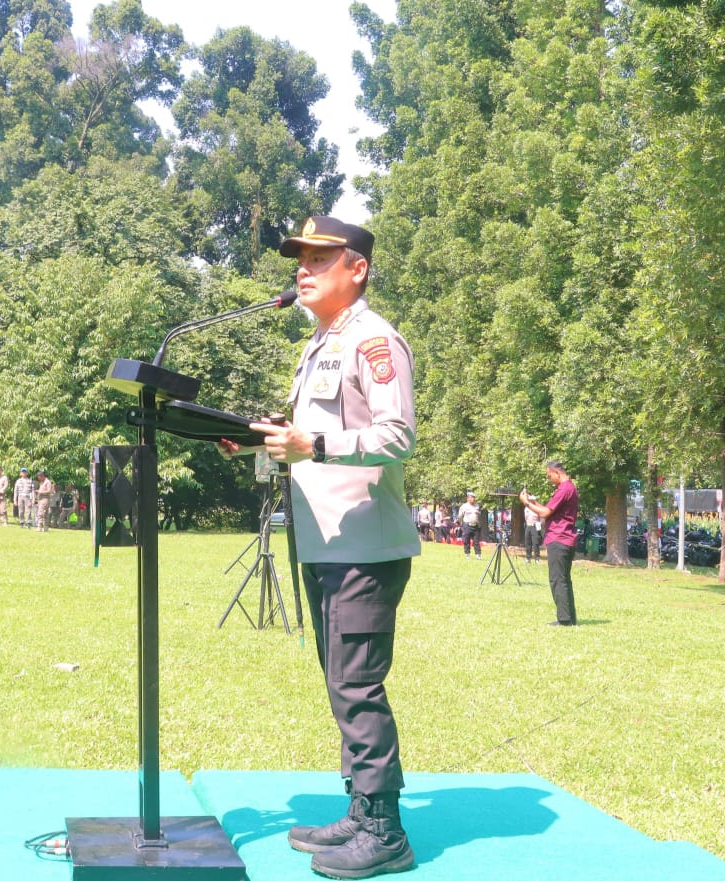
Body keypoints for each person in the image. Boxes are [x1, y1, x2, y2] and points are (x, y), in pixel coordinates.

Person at [224, 215, 419, 879]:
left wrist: (318, 444)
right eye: (298, 258)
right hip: (327, 541)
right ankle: (361, 812)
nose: (302, 268)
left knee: (357, 684)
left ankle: (385, 829)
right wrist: (260, 437)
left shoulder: (373, 341)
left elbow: (398, 435)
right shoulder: (319, 344)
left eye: (319, 257)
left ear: (356, 268)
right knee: (342, 681)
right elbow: (311, 436)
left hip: (365, 541)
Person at [521, 461, 579, 626]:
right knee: (564, 580)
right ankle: (570, 617)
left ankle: (564, 619)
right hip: (566, 539)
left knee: (557, 580)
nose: (549, 479)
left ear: (557, 473)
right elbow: (549, 509)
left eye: (549, 476)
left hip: (559, 538)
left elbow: (545, 513)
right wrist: (532, 501)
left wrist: (526, 503)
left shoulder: (564, 489)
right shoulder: (570, 488)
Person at [456, 492, 483, 559]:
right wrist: (461, 523)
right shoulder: (464, 506)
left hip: (475, 526)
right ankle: (467, 554)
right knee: (466, 540)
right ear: (468, 498)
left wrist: (479, 522)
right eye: (472, 497)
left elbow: (479, 515)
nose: (473, 499)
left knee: (476, 541)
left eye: (474, 498)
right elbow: (460, 516)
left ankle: (478, 555)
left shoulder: (477, 506)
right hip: (467, 525)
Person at [521, 494, 543, 563]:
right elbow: (526, 517)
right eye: (530, 500)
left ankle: (537, 558)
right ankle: (528, 558)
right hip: (528, 525)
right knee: (528, 542)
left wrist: (539, 525)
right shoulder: (526, 508)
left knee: (535, 543)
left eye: (532, 500)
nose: (531, 501)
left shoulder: (537, 508)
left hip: (535, 526)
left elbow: (541, 518)